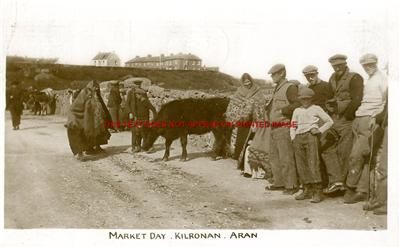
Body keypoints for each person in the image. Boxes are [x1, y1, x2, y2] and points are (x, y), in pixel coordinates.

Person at [344, 54, 388, 204]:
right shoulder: (370, 79)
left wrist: (376, 118)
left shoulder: (382, 79)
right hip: (361, 117)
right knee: (364, 157)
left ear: (376, 63)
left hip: (370, 118)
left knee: (358, 155)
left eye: (371, 64)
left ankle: (352, 188)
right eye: (365, 66)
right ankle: (362, 190)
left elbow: (386, 101)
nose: (368, 67)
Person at [321, 54, 364, 195]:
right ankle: (337, 180)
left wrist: (347, 115)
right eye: (334, 66)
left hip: (347, 119)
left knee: (345, 151)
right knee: (325, 146)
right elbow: (329, 96)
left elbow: (357, 99)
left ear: (345, 64)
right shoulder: (332, 78)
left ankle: (344, 185)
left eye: (340, 65)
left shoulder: (355, 77)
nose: (337, 68)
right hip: (334, 118)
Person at [290, 87, 334, 203]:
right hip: (299, 137)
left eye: (307, 99)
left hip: (311, 137)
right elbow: (293, 125)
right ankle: (306, 189)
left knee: (313, 163)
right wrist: (293, 137)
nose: (305, 101)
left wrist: (319, 130)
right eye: (302, 99)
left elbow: (329, 121)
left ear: (311, 99)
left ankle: (317, 191)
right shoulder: (297, 110)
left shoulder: (316, 109)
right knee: (301, 164)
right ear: (299, 99)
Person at [265, 64, 300, 194]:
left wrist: (283, 110)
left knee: (286, 158)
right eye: (272, 74)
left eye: (274, 74)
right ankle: (279, 182)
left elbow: (297, 104)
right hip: (274, 127)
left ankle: (291, 185)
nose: (272, 77)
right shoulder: (277, 88)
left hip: (284, 126)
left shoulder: (289, 87)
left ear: (282, 73)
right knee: (274, 157)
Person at [65, 80, 112, 160]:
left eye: (97, 88)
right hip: (77, 118)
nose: (96, 90)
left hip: (88, 119)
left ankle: (92, 148)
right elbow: (77, 109)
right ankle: (80, 153)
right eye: (94, 88)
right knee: (79, 135)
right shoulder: (84, 96)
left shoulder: (94, 96)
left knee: (92, 132)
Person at [226, 73, 262, 163]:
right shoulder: (239, 91)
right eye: (245, 83)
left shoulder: (257, 90)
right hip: (241, 119)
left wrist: (253, 109)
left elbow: (261, 102)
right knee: (241, 137)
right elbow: (234, 103)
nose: (247, 84)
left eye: (248, 82)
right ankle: (238, 156)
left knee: (251, 139)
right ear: (242, 83)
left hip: (253, 119)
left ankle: (249, 159)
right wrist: (234, 116)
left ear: (251, 81)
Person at [126, 80, 156, 152]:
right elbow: (127, 104)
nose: (138, 86)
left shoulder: (143, 93)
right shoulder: (130, 92)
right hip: (133, 115)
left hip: (143, 116)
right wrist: (130, 112)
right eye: (136, 85)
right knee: (135, 132)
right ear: (134, 85)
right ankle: (135, 146)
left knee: (143, 132)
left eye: (139, 85)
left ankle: (144, 146)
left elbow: (148, 104)